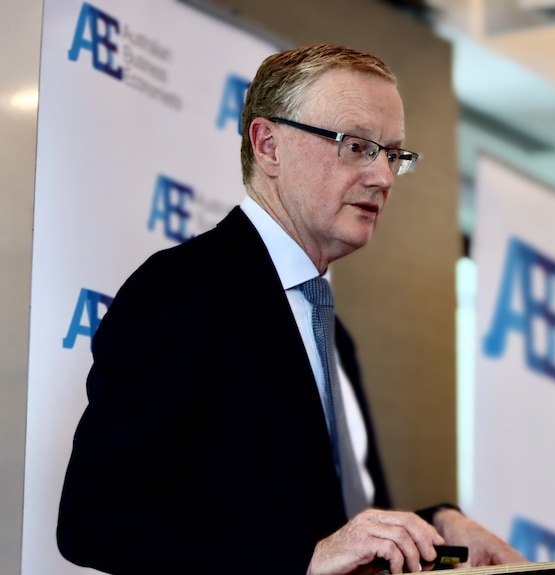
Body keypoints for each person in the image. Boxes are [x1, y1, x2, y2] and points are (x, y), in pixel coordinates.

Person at [56, 44, 525, 575]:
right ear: (269, 145)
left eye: (393, 154)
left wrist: (437, 524)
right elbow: (96, 519)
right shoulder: (182, 293)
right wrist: (302, 559)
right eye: (356, 146)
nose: (384, 178)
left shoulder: (331, 329)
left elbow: (327, 527)